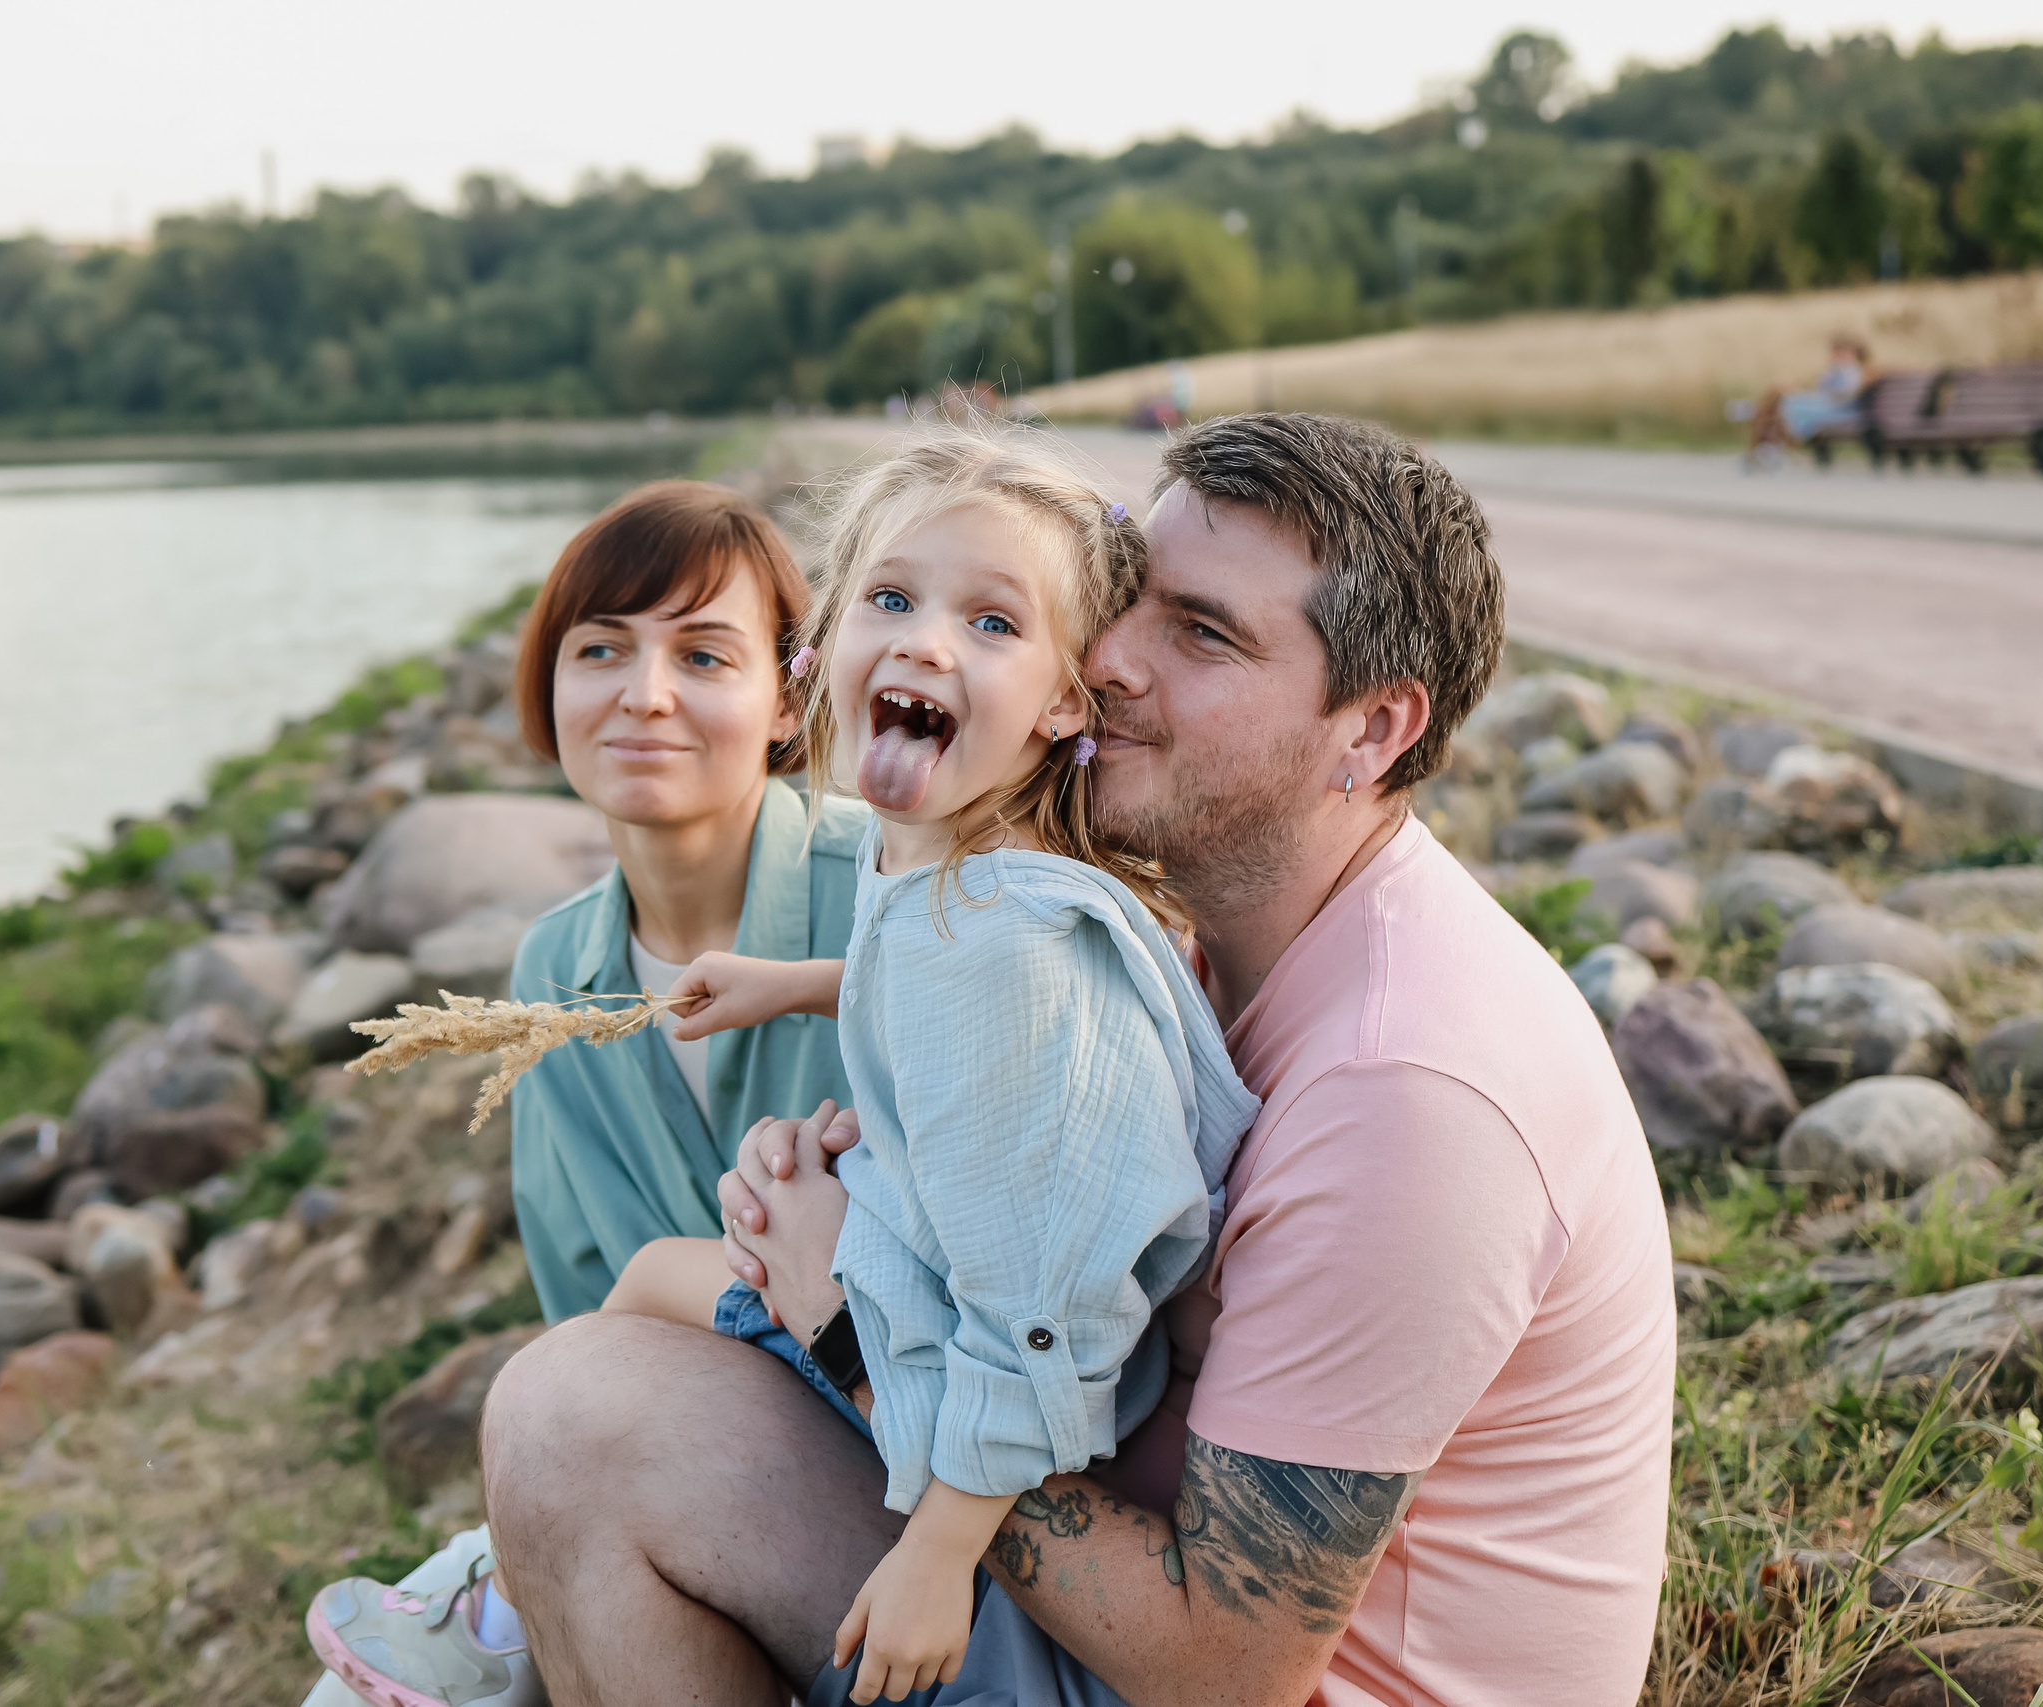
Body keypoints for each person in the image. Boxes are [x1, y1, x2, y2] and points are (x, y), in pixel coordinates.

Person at [476, 412, 1677, 1707]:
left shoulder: (1414, 1098)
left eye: (1201, 633)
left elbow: (1226, 1666)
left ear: (1372, 730)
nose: (1111, 661)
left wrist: (846, 1323)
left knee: (576, 1422)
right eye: (1128, 600)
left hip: (1201, 1666)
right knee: (625, 1353)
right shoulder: (1206, 929)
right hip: (1091, 1551)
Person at [601, 428, 1259, 1704]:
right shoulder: (937, 863)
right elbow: (938, 1000)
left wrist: (938, 1555)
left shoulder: (1011, 946)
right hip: (927, 1296)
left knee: (645, 1293)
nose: (923, 642)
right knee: (659, 1300)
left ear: (1067, 701)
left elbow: (1046, 1311)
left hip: (979, 1386)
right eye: (891, 600)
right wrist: (792, 987)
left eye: (993, 624)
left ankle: (508, 1594)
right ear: (826, 644)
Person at [299, 478, 869, 1707]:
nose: (643, 694)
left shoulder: (888, 893)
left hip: (913, 1488)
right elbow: (587, 1319)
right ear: (548, 691)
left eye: (703, 654)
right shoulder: (553, 972)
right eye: (599, 650)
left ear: (787, 697)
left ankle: (491, 1590)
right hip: (688, 1462)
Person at [1746, 334, 1871, 467]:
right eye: (1835, 351)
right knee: (1781, 397)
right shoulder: (1837, 371)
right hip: (1827, 406)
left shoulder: (1852, 372)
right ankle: (1765, 441)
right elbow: (1821, 389)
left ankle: (1762, 435)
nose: (1836, 355)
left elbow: (1843, 396)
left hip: (1838, 411)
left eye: (1840, 351)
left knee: (1784, 402)